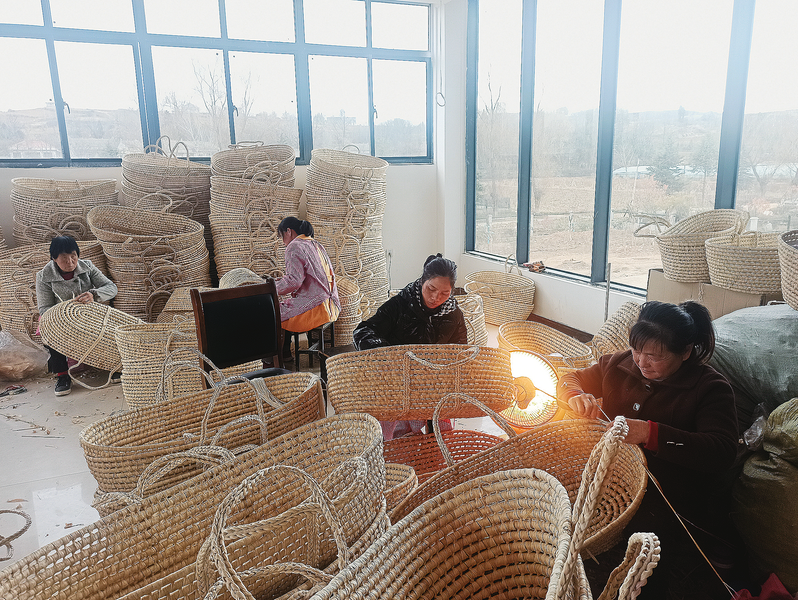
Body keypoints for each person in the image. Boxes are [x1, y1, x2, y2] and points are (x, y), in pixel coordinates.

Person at [557, 301, 740, 599]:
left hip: (668, 491)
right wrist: (574, 394)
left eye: (655, 356)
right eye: (637, 350)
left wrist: (650, 433)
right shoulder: (618, 364)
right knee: (563, 509)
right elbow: (571, 377)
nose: (642, 362)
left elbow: (721, 450)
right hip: (613, 476)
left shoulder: (710, 388)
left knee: (645, 555)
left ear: (685, 352)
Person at [354, 253, 468, 440]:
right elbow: (363, 331)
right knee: (395, 438)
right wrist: (388, 356)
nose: (435, 297)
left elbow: (461, 350)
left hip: (434, 383)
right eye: (431, 289)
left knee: (441, 437)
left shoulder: (453, 314)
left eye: (444, 293)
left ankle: (434, 448)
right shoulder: (400, 305)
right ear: (423, 280)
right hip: (398, 382)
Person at [36, 235, 118, 397]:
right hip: (59, 319)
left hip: (88, 313)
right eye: (64, 258)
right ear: (54, 258)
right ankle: (62, 376)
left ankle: (113, 365)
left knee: (110, 325)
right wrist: (65, 313)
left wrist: (94, 294)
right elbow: (44, 308)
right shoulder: (44, 276)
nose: (70, 262)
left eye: (73, 256)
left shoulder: (87, 267)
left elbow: (111, 287)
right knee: (50, 330)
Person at [275, 217, 340, 362]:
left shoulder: (294, 246)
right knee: (286, 307)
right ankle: (285, 353)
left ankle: (281, 357)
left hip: (317, 308)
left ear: (289, 231)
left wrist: (272, 287)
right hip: (332, 305)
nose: (283, 241)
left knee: (274, 313)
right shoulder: (315, 243)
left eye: (281, 236)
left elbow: (293, 281)